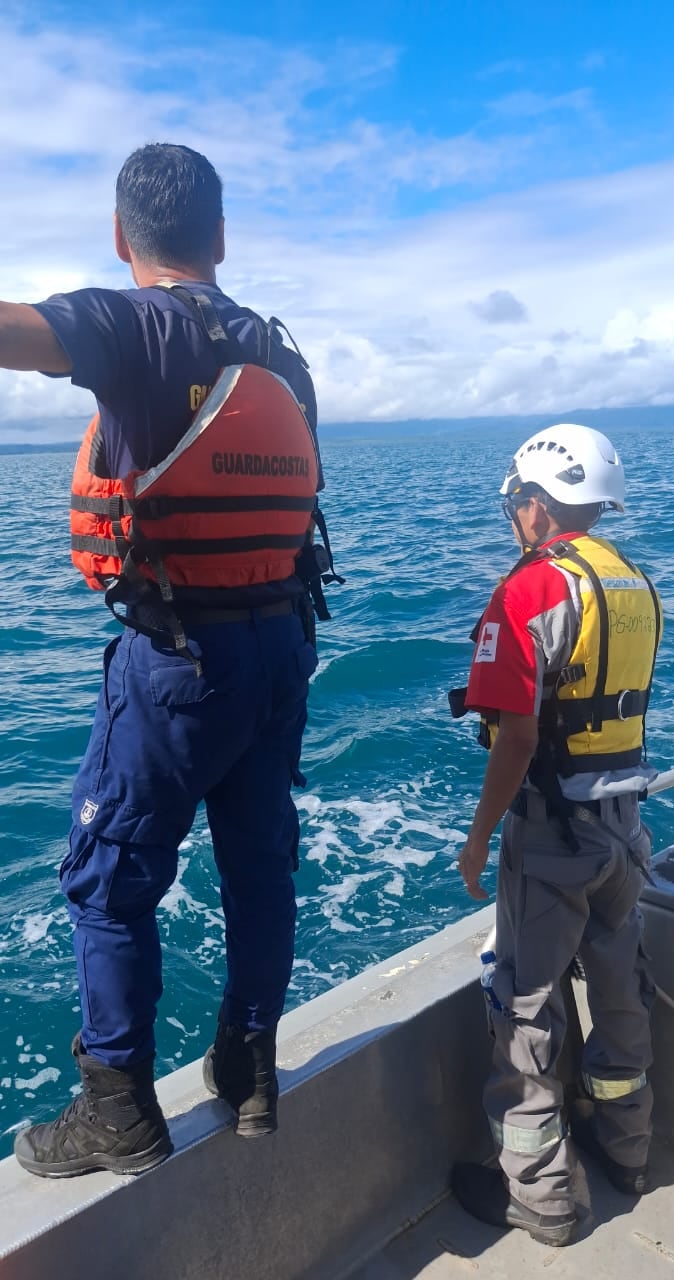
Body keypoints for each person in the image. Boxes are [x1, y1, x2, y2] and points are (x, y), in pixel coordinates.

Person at [1, 143, 335, 1178]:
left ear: (119, 237)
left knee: (109, 878)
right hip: (282, 647)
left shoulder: (132, 322)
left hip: (179, 659)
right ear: (221, 237)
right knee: (257, 859)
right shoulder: (280, 350)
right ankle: (251, 1065)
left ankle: (116, 1106)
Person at [448, 424, 661, 1247]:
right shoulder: (636, 581)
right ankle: (630, 1150)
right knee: (619, 995)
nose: (513, 519)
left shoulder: (531, 591)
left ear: (536, 507)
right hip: (625, 831)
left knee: (526, 1018)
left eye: (514, 505)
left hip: (554, 841)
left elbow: (520, 740)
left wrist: (478, 842)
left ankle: (542, 1204)